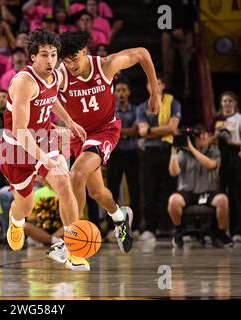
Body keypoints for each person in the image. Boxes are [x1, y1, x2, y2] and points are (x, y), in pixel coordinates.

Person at [56, 29, 161, 255]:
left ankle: (70, 239)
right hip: (79, 135)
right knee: (97, 192)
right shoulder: (62, 74)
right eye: (66, 60)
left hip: (104, 131)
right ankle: (120, 216)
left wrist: (155, 91)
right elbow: (44, 92)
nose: (71, 65)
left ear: (84, 52)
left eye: (74, 58)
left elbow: (142, 53)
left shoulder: (105, 65)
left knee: (75, 175)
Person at [0, 29, 89, 271]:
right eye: (44, 55)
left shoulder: (56, 76)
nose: (50, 60)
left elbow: (52, 99)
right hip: (17, 146)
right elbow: (20, 130)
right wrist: (42, 159)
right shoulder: (23, 82)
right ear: (32, 58)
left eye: (53, 54)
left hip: (44, 137)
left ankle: (73, 249)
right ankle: (16, 221)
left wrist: (69, 120)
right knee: (25, 206)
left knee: (64, 184)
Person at [168, 125, 234, 248]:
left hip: (208, 191)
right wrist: (173, 152)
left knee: (223, 200)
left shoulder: (214, 151)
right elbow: (173, 172)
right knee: (173, 201)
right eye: (199, 135)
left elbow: (210, 165)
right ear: (193, 138)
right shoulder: (184, 153)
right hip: (187, 192)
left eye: (205, 135)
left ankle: (220, 233)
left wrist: (192, 148)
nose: (203, 137)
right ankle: (179, 231)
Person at [136, 76, 181, 241]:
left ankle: (171, 227)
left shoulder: (173, 103)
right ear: (148, 87)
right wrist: (166, 130)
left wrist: (151, 131)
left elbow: (173, 127)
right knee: (149, 190)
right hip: (150, 151)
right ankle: (149, 228)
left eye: (159, 83)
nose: (155, 86)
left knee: (169, 188)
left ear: (163, 85)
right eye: (151, 83)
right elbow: (142, 131)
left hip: (169, 150)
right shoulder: (142, 107)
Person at [106, 81, 141, 235]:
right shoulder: (110, 110)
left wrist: (118, 132)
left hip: (132, 153)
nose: (120, 93)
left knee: (135, 190)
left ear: (129, 92)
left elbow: (137, 130)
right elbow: (110, 130)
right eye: (118, 90)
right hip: (115, 154)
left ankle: (137, 226)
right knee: (111, 191)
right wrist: (127, 131)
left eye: (123, 90)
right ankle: (111, 227)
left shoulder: (136, 110)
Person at [210, 91, 241, 241]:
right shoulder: (216, 119)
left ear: (235, 103)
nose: (227, 103)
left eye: (230, 101)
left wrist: (230, 142)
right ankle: (218, 230)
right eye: (224, 101)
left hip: (235, 157)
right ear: (221, 103)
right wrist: (215, 136)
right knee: (218, 194)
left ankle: (236, 231)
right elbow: (207, 140)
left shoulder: (239, 119)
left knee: (235, 195)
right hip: (218, 157)